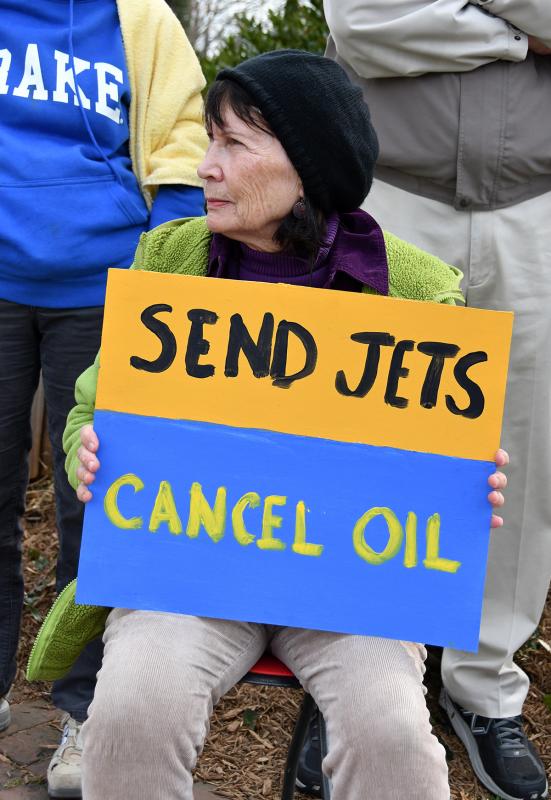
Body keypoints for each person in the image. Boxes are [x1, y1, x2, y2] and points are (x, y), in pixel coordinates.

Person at [48, 49, 512, 800]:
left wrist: (468, 485)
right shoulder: (170, 259)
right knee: (132, 711)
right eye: (210, 140)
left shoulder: (417, 292)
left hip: (347, 590)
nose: (206, 166)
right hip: (187, 572)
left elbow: (441, 466)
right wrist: (88, 450)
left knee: (392, 736)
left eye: (234, 144)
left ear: (308, 168)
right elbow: (89, 409)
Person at [321, 3, 551, 800]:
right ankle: (346, 674)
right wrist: (521, 35)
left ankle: (482, 685)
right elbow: (362, 23)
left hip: (535, 203)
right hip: (392, 193)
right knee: (364, 444)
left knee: (522, 454)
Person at [0, 0, 207, 797]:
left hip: (107, 290)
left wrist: (161, 276)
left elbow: (182, 145)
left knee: (97, 501)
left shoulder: (140, 19)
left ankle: (88, 711)